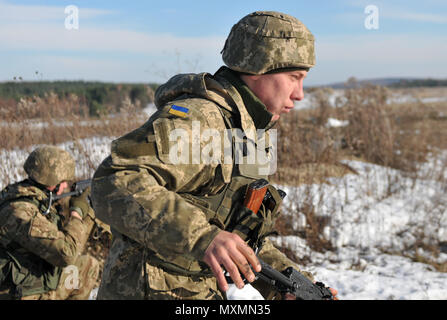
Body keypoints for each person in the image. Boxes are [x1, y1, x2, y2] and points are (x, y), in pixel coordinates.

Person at [92, 11, 337, 300]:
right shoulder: (200, 120)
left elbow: (240, 238)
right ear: (259, 67)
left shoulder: (250, 133)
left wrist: (288, 285)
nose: (300, 94)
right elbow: (113, 182)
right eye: (294, 77)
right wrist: (201, 237)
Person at [0, 145, 99, 300]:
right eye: (63, 181)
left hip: (32, 280)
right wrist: (77, 213)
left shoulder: (34, 198)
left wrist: (89, 212)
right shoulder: (21, 212)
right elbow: (66, 255)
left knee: (87, 266)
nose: (66, 186)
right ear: (52, 182)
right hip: (16, 292)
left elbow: (69, 245)